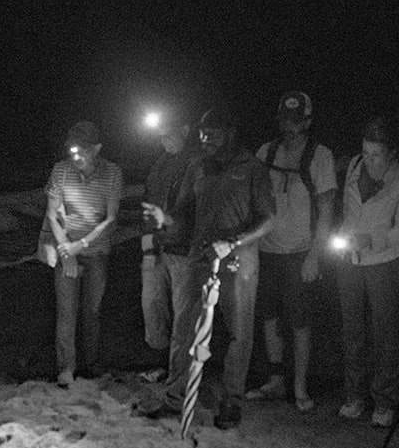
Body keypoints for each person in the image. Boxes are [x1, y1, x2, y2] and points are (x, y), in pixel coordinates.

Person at [141, 107, 275, 430]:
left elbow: (269, 219)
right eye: (201, 135)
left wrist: (234, 242)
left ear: (229, 133)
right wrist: (166, 220)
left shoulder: (252, 169)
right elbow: (184, 211)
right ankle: (176, 395)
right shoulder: (198, 166)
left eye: (211, 135)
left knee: (236, 331)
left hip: (237, 260)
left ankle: (231, 399)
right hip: (199, 257)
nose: (205, 141)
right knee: (185, 326)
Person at [245, 91, 337, 411]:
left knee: (300, 321)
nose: (291, 128)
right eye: (285, 121)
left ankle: (300, 386)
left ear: (309, 122)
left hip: (300, 251)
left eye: (297, 122)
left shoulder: (320, 156)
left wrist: (315, 254)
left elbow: (326, 211)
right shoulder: (266, 152)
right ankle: (275, 380)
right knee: (268, 316)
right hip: (267, 250)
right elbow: (253, 199)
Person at [332, 115, 399, 428]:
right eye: (365, 152)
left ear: (392, 153)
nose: (369, 160)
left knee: (385, 334)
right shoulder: (355, 166)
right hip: (350, 260)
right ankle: (354, 396)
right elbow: (346, 209)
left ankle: (384, 400)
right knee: (352, 330)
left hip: (385, 263)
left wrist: (372, 240)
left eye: (376, 154)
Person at [41, 120, 122, 388]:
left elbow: (110, 220)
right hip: (67, 249)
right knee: (66, 312)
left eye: (83, 150)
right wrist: (68, 252)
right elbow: (53, 215)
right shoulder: (61, 171)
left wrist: (82, 245)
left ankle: (91, 363)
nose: (76, 155)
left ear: (97, 148)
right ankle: (66, 368)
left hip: (96, 251)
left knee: (92, 311)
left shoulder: (112, 173)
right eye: (72, 149)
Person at [138, 116, 200, 385]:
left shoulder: (197, 163)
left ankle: (180, 375)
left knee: (184, 317)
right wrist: (148, 241)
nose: (165, 141)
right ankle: (160, 363)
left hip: (185, 250)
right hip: (159, 247)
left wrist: (169, 220)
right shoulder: (160, 164)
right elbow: (149, 205)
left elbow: (194, 209)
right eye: (161, 136)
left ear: (185, 130)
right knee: (152, 305)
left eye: (169, 135)